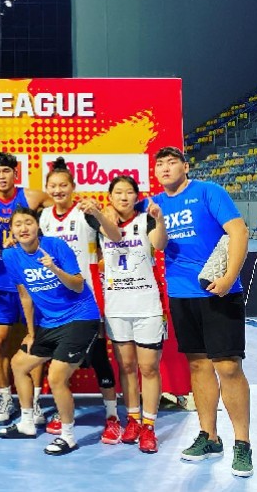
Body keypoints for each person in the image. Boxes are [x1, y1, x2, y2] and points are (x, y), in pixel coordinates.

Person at [152, 146, 252, 477]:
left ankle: (242, 444)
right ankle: (209, 437)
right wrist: (157, 220)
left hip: (217, 290)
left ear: (185, 166)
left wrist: (229, 278)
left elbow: (239, 231)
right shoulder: (157, 204)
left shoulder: (209, 191)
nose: (166, 168)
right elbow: (159, 244)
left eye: (172, 162)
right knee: (198, 365)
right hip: (181, 294)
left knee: (228, 367)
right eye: (160, 164)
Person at [0, 207, 100, 456]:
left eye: (28, 222)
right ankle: (26, 423)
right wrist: (31, 332)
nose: (23, 228)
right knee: (19, 364)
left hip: (80, 317)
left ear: (38, 226)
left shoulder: (56, 246)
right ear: (12, 231)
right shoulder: (10, 256)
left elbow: (78, 285)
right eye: (18, 224)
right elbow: (25, 296)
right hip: (49, 323)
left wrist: (54, 268)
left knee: (55, 377)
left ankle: (68, 436)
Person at [39, 157, 122, 442]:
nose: (58, 190)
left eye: (63, 185)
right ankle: (63, 413)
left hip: (88, 298)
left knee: (98, 355)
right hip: (58, 301)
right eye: (53, 186)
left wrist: (99, 213)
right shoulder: (44, 217)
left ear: (73, 187)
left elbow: (115, 236)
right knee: (60, 359)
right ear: (47, 189)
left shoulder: (85, 213)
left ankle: (112, 416)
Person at [95, 175, 167, 453]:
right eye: (118, 192)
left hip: (146, 305)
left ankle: (149, 426)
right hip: (117, 307)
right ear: (110, 196)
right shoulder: (99, 222)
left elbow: (160, 245)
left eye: (129, 192)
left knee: (148, 368)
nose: (124, 197)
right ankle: (133, 419)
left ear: (137, 197)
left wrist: (159, 220)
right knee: (125, 366)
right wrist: (101, 212)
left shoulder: (146, 220)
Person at [0, 152, 52, 425]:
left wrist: (40, 238)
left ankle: (34, 401)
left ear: (15, 172)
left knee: (34, 341)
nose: (2, 176)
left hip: (32, 281)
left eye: (6, 171)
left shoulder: (32, 197)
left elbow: (58, 208)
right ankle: (5, 398)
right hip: (1, 281)